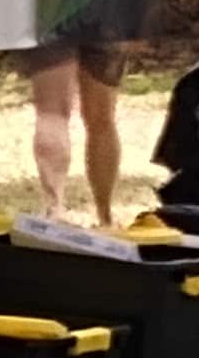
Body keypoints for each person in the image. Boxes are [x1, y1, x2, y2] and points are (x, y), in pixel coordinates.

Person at [22, 41, 129, 225]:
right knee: (102, 119)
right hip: (104, 18)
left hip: (52, 18)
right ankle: (105, 216)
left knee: (52, 112)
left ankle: (55, 208)